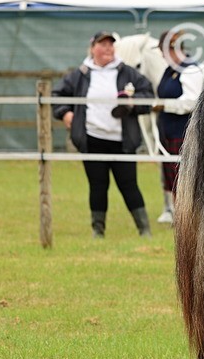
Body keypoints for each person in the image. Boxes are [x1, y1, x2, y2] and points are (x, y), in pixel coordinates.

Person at [52, 31, 156, 238]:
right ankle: (97, 231)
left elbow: (148, 93)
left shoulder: (127, 72)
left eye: (111, 44)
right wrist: (66, 113)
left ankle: (144, 230)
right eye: (103, 44)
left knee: (129, 186)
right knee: (98, 186)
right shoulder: (80, 74)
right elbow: (56, 95)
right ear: (92, 48)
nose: (107, 48)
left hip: (122, 141)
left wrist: (132, 104)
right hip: (92, 139)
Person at [153, 30, 204, 224]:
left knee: (184, 179)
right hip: (167, 131)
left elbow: (191, 101)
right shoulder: (170, 69)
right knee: (172, 179)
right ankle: (179, 219)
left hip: (182, 132)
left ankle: (190, 219)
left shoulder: (189, 69)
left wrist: (163, 105)